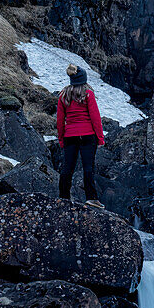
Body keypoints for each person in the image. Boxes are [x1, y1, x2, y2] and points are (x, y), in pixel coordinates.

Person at [56, 64, 105, 207]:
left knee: (67, 168)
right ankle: (91, 198)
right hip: (88, 135)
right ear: (83, 78)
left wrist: (61, 139)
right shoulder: (88, 94)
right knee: (88, 167)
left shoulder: (63, 95)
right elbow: (95, 117)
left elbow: (60, 121)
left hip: (70, 135)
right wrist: (100, 138)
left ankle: (63, 198)